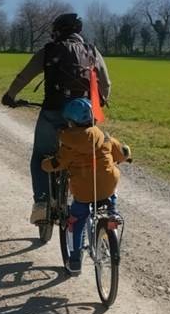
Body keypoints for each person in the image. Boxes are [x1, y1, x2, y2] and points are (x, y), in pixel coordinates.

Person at [1, 13, 111, 225]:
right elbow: (106, 83)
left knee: (41, 155)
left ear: (57, 31)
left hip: (53, 111)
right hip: (83, 116)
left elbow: (25, 76)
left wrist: (10, 96)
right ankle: (87, 196)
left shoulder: (49, 50)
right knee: (83, 155)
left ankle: (42, 203)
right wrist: (101, 102)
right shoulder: (91, 50)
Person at [41, 98, 131, 274]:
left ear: (70, 122)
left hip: (82, 190)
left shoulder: (68, 144)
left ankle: (75, 260)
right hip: (106, 185)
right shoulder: (105, 138)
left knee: (77, 220)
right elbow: (122, 153)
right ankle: (112, 213)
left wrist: (44, 164)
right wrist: (126, 156)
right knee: (111, 192)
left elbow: (56, 164)